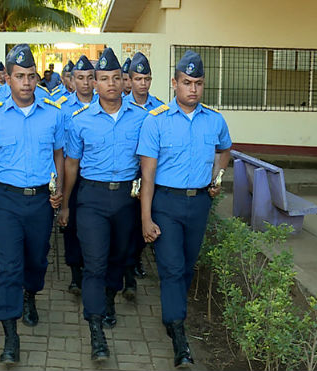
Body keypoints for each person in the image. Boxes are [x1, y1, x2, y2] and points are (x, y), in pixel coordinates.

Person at [0, 44, 65, 366]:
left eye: (31, 76)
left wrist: (59, 190)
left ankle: (30, 295)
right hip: (6, 200)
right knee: (8, 267)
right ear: (7, 78)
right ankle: (10, 334)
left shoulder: (53, 114)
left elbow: (59, 156)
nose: (26, 82)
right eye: (19, 76)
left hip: (40, 200)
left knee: (36, 260)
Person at [137, 50, 232, 368]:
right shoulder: (157, 122)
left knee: (187, 267)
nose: (193, 89)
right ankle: (178, 336)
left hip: (200, 203)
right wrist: (146, 217)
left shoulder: (215, 120)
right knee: (173, 268)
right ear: (174, 84)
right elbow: (147, 176)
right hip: (166, 203)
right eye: (187, 82)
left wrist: (216, 176)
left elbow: (225, 149)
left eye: (199, 83)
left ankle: (172, 314)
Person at [59, 47, 148, 362]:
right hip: (92, 198)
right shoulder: (79, 121)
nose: (110, 84)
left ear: (124, 81)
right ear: (93, 83)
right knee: (94, 264)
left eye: (116, 78)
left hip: (127, 198)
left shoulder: (142, 119)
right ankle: (95, 330)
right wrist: (66, 204)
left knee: (119, 257)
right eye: (103, 79)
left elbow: (149, 162)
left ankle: (110, 299)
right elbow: (71, 165)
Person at [121, 51, 166, 300]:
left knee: (143, 224)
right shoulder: (120, 106)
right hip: (128, 176)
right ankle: (127, 276)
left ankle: (136, 259)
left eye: (147, 79)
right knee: (127, 227)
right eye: (138, 79)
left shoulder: (159, 108)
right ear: (130, 80)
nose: (143, 84)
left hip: (150, 176)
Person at [58, 55, 98, 295]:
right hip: (71, 171)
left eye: (89, 78)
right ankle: (75, 274)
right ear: (71, 81)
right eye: (80, 78)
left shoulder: (104, 104)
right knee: (71, 223)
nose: (85, 83)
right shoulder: (61, 108)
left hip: (95, 175)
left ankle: (92, 269)